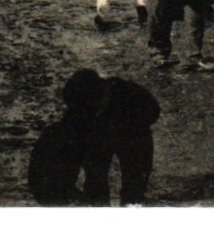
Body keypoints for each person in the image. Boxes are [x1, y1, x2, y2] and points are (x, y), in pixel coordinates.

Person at [26, 69, 160, 206]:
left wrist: (125, 127)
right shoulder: (81, 101)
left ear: (102, 95)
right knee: (95, 177)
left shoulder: (131, 93)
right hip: (99, 138)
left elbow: (153, 111)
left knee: (135, 181)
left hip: (133, 137)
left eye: (94, 108)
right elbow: (70, 127)